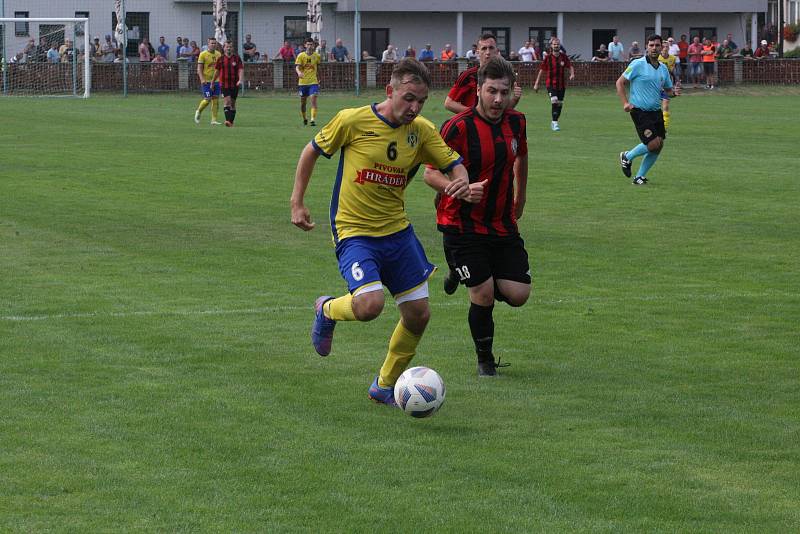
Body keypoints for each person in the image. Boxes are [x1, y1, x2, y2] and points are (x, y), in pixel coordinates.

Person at [290, 58, 481, 405]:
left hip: (397, 232)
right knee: (369, 305)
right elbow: (311, 151)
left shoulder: (421, 130)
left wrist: (462, 185)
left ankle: (384, 386)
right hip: (354, 230)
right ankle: (327, 309)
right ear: (390, 91)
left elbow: (454, 165)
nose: (414, 107)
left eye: (421, 101)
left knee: (419, 314)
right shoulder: (353, 120)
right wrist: (297, 202)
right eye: (408, 98)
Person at [424, 57, 530, 376]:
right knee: (482, 294)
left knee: (519, 294)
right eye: (491, 91)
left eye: (504, 92)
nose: (498, 99)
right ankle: (485, 360)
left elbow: (521, 158)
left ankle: (464, 271)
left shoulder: (517, 121)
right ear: (479, 90)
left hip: (501, 222)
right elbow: (430, 175)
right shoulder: (458, 127)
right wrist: (460, 187)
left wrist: (520, 198)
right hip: (461, 224)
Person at [616, 34, 680, 186]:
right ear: (647, 47)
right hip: (639, 111)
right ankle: (627, 156)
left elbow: (667, 91)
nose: (654, 48)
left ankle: (639, 177)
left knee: (659, 145)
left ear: (662, 47)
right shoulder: (637, 64)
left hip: (655, 111)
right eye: (651, 45)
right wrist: (625, 103)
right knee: (653, 143)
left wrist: (674, 93)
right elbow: (620, 83)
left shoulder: (663, 69)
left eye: (657, 45)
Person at [445, 33, 522, 115]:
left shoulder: (505, 75)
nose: (488, 52)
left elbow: (501, 111)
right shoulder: (468, 76)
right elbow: (449, 103)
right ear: (478, 52)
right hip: (473, 126)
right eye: (484, 48)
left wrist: (514, 100)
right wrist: (475, 114)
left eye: (491, 48)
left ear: (497, 51)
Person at [533, 36, 575, 131]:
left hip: (561, 85)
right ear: (551, 46)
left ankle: (554, 121)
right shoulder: (548, 58)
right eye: (554, 44)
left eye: (557, 44)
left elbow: (570, 66)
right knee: (554, 100)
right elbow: (541, 71)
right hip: (551, 84)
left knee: (559, 104)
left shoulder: (563, 57)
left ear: (560, 46)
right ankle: (555, 123)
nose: (556, 46)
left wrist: (572, 74)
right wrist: (536, 84)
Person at [214, 40, 244, 127]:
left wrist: (240, 80)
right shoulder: (221, 59)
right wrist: (212, 82)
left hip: (235, 84)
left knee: (233, 103)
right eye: (227, 47)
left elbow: (241, 69)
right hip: (224, 84)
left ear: (232, 48)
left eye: (230, 47)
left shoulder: (237, 58)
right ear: (224, 48)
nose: (228, 48)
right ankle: (227, 121)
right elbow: (216, 71)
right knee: (227, 101)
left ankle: (231, 121)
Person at [194, 37, 222, 125]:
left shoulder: (218, 54)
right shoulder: (203, 54)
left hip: (216, 81)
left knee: (215, 100)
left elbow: (220, 68)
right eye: (212, 43)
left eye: (215, 43)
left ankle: (214, 120)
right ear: (208, 44)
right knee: (207, 99)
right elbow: (199, 68)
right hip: (206, 81)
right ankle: (198, 111)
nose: (213, 45)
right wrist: (202, 79)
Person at [295, 38, 321, 126]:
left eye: (311, 44)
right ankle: (305, 118)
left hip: (313, 82)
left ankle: (312, 119)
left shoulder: (317, 56)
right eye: (308, 44)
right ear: (305, 45)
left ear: (313, 45)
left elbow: (319, 67)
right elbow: (297, 67)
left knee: (313, 99)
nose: (310, 46)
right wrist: (299, 72)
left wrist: (319, 78)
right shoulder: (301, 56)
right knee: (303, 103)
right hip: (303, 83)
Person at [658, 43, 677, 130]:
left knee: (665, 105)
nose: (665, 48)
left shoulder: (672, 58)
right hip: (656, 85)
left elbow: (672, 71)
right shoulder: (657, 58)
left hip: (666, 85)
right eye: (663, 47)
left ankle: (664, 127)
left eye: (667, 47)